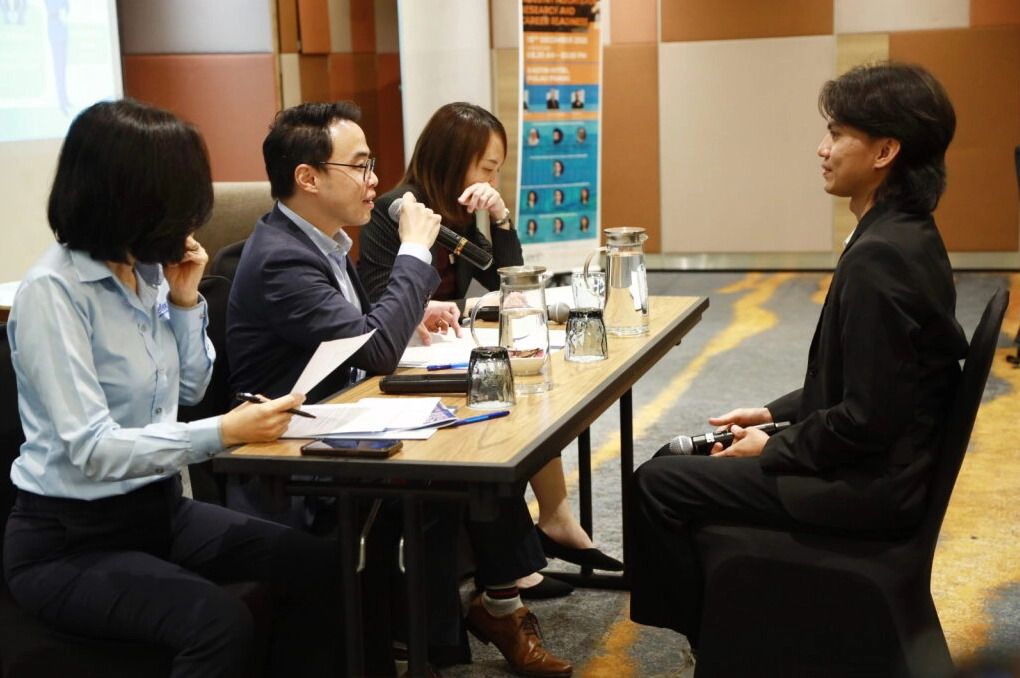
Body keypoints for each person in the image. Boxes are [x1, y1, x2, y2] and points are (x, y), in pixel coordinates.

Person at [629, 62, 968, 650]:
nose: (822, 148)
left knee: (657, 483)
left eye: (836, 134)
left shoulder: (880, 258)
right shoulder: (905, 232)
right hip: (888, 465)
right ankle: (729, 629)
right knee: (675, 458)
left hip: (870, 488)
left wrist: (774, 446)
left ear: (885, 151)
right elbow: (871, 381)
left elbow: (867, 417)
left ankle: (720, 641)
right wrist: (771, 414)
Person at [227, 101, 573, 677]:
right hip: (292, 446)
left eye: (372, 165)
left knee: (482, 427)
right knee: (461, 458)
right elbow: (375, 353)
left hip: (346, 412)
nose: (373, 180)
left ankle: (463, 626)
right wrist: (414, 251)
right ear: (308, 177)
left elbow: (360, 333)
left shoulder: (321, 241)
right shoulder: (283, 258)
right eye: (360, 166)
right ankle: (453, 630)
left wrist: (415, 313)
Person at [3, 99, 341, 678]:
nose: (189, 218)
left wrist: (186, 302)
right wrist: (222, 432)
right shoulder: (52, 293)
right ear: (129, 197)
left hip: (158, 511)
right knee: (218, 624)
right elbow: (92, 448)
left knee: (316, 564)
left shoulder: (148, 273)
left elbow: (190, 387)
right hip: (67, 541)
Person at [359, 101, 624, 589]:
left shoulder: (458, 210)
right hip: (405, 358)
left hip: (447, 345)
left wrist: (500, 219)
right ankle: (515, 566)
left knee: (528, 378)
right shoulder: (395, 210)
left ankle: (553, 520)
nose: (492, 179)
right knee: (506, 391)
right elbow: (379, 302)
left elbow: (509, 279)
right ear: (451, 159)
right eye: (487, 168)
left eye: (497, 170)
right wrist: (459, 307)